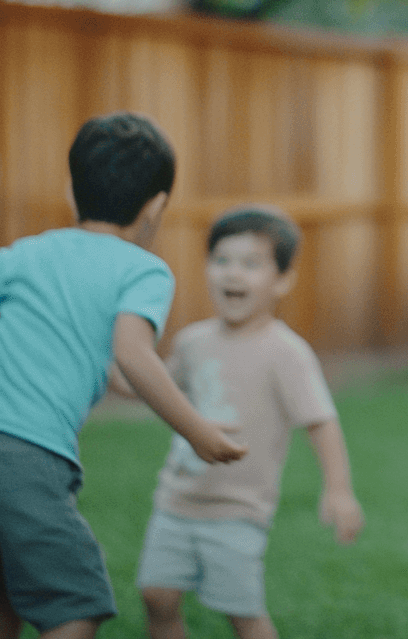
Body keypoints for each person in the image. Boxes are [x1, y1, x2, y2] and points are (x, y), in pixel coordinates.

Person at [0, 112, 247, 639]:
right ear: (157, 206)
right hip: (24, 458)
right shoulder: (144, 270)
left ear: (71, 191)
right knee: (75, 607)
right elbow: (136, 356)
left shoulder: (28, 252)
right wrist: (198, 432)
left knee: (13, 590)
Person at [135, 206, 364, 639]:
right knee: (156, 596)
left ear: (282, 280)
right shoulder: (192, 341)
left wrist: (338, 489)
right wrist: (117, 366)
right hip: (176, 499)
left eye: (250, 264)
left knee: (241, 613)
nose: (232, 274)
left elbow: (320, 420)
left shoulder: (285, 352)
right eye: (222, 261)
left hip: (239, 511)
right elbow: (153, 385)